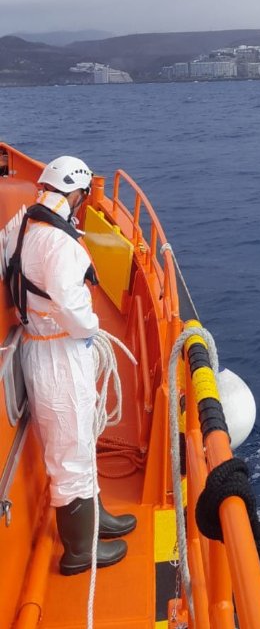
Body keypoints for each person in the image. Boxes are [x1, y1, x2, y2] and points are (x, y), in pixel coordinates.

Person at [4, 155, 136, 575]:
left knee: (79, 438)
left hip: (43, 345)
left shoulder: (21, 224)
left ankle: (96, 520)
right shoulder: (60, 244)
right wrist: (92, 329)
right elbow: (75, 312)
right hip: (60, 353)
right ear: (76, 194)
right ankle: (80, 549)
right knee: (70, 448)